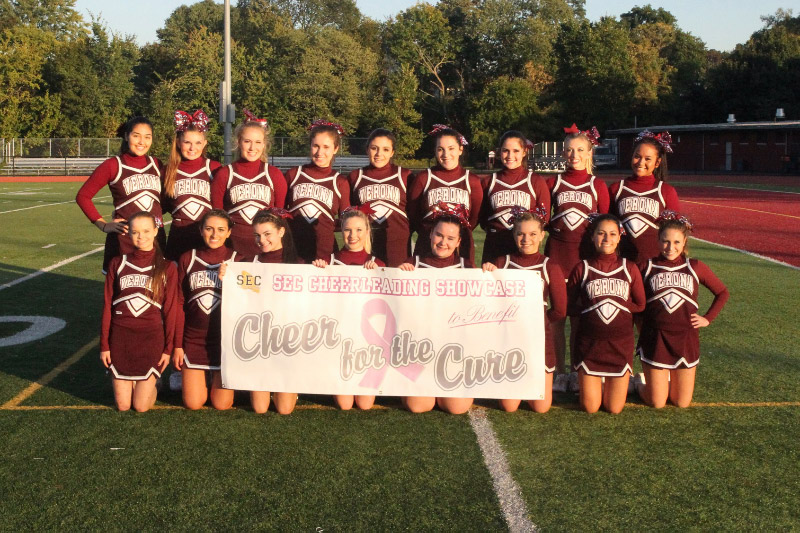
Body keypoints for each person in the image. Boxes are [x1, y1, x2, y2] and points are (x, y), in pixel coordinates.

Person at [634, 211, 729, 408]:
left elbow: (722, 292)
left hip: (686, 339)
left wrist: (707, 318)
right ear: (658, 241)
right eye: (665, 241)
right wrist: (640, 324)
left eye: (676, 242)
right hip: (656, 339)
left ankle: (659, 384)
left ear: (684, 242)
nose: (670, 247)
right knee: (657, 402)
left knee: (681, 402)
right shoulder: (646, 267)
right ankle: (639, 383)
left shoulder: (695, 266)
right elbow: (632, 300)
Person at [482, 207, 566, 413]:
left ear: (542, 236)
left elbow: (560, 310)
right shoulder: (502, 263)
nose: (526, 239)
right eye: (520, 234)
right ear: (514, 235)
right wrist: (486, 274)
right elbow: (486, 303)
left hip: (538, 340)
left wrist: (538, 322)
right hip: (509, 340)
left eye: (532, 234)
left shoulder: (550, 266)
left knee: (541, 406)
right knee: (509, 406)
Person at [545, 124, 610, 393]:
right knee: (557, 317)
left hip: (584, 260)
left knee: (580, 320)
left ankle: (577, 370)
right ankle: (559, 372)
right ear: (563, 153)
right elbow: (543, 219)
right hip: (557, 257)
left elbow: (605, 225)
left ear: (589, 153)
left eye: (580, 150)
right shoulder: (553, 183)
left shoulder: (597, 185)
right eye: (570, 150)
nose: (575, 155)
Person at [220, 208, 300, 414]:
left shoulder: (299, 264)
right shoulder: (248, 265)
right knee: (259, 408)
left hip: (287, 339)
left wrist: (321, 269)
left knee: (284, 409)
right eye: (257, 235)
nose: (261, 240)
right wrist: (227, 277)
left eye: (267, 234)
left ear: (281, 232)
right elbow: (241, 297)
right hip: (259, 340)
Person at [399, 203, 475, 414]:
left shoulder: (467, 267)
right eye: (439, 235)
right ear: (431, 234)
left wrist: (490, 274)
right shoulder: (413, 264)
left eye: (450, 238)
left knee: (457, 408)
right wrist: (398, 277)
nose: (443, 242)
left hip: (454, 348)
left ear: (458, 242)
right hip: (420, 349)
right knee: (418, 406)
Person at [567, 214, 645, 414]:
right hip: (590, 345)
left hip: (620, 345)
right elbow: (568, 305)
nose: (607, 238)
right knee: (590, 407)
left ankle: (633, 381)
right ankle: (591, 385)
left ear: (619, 237)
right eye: (601, 233)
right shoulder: (582, 268)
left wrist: (617, 304)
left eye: (612, 234)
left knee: (614, 408)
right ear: (593, 237)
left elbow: (640, 304)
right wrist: (591, 309)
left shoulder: (629, 268)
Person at [100, 211, 177, 412]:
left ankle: (154, 383)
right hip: (121, 337)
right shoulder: (117, 263)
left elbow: (171, 310)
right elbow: (107, 306)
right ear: (128, 234)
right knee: (123, 406)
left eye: (146, 231)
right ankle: (136, 383)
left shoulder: (167, 267)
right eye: (135, 232)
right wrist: (104, 345)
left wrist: (168, 348)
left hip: (150, 338)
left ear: (155, 231)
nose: (141, 236)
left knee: (141, 406)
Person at [312, 207, 385, 410]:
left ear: (367, 232)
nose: (353, 235)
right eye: (347, 230)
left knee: (365, 404)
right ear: (341, 231)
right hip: (339, 337)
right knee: (345, 405)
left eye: (359, 230)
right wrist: (316, 271)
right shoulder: (328, 262)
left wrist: (379, 274)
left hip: (365, 341)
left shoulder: (377, 263)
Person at [76, 116, 165, 273]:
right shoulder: (113, 165)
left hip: (154, 238)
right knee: (123, 286)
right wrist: (103, 225)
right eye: (136, 136)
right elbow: (83, 196)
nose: (142, 142)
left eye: (147, 137)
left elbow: (161, 202)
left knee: (157, 286)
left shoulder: (157, 164)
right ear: (126, 136)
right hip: (125, 239)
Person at [173, 209, 237, 410]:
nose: (214, 234)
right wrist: (178, 345)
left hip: (225, 341)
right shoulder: (188, 258)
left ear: (229, 232)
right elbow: (179, 303)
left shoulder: (238, 260)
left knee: (222, 404)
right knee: (193, 403)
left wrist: (231, 280)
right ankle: (201, 377)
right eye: (209, 229)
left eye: (221, 230)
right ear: (201, 230)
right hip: (194, 339)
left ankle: (215, 378)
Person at [210, 109, 287, 256]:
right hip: (233, 249)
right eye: (247, 141)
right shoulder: (225, 174)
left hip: (266, 249)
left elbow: (280, 219)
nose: (252, 148)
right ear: (238, 142)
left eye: (258, 142)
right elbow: (217, 218)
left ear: (264, 144)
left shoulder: (274, 175)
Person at [407, 124, 483, 264]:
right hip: (428, 246)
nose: (446, 154)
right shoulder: (424, 178)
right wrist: (429, 232)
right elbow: (413, 213)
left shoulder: (472, 180)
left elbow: (474, 218)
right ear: (435, 151)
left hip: (461, 247)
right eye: (440, 149)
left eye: (451, 148)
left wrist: (456, 233)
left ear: (460, 149)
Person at [479, 130, 550, 265]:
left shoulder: (536, 181)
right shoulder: (489, 181)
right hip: (495, 247)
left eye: (516, 151)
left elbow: (544, 218)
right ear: (499, 152)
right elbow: (482, 218)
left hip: (523, 248)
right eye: (505, 151)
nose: (510, 155)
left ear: (524, 152)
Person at [285, 119, 351, 263]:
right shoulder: (293, 175)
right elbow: (280, 214)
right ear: (310, 146)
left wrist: (326, 227)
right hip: (294, 252)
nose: (320, 152)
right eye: (316, 146)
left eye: (326, 147)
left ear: (335, 149)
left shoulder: (340, 182)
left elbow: (347, 223)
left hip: (324, 255)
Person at [609, 130, 680, 263]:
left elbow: (675, 232)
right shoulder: (616, 189)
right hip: (622, 263)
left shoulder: (666, 191)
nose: (641, 162)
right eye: (637, 156)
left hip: (655, 264)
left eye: (648, 159)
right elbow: (606, 226)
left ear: (657, 162)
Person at [347, 128, 412, 267]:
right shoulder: (355, 176)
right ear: (367, 150)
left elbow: (414, 214)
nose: (379, 154)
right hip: (366, 245)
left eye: (385, 149)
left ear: (392, 152)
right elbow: (350, 214)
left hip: (397, 246)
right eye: (374, 148)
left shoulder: (405, 176)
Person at [162, 110, 221, 261]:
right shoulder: (168, 170)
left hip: (207, 237)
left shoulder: (214, 168)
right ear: (178, 143)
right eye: (187, 142)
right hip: (178, 237)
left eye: (198, 143)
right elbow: (159, 206)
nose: (192, 148)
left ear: (205, 143)